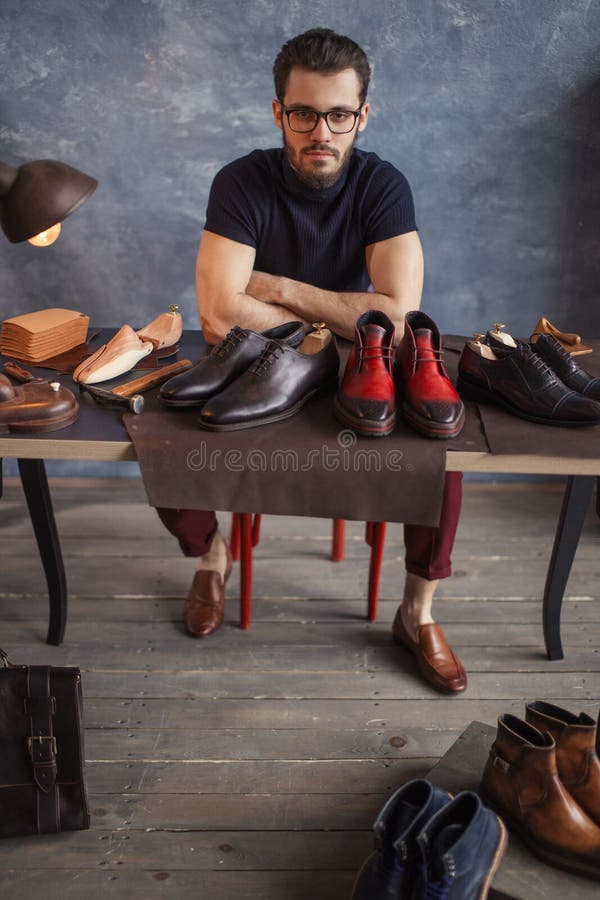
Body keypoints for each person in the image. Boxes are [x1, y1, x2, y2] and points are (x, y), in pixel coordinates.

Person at [156, 28, 466, 694]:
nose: (320, 131)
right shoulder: (241, 181)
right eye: (303, 113)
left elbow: (401, 317)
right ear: (278, 113)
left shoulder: (383, 186)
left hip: (363, 370)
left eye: (338, 115)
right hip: (263, 366)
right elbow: (215, 312)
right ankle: (212, 555)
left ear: (361, 116)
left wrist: (278, 289)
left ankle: (417, 613)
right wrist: (333, 328)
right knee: (163, 430)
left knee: (444, 455)